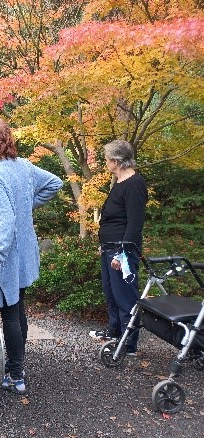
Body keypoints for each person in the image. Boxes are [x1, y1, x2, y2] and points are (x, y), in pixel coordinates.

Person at [0, 118, 62, 394]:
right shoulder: (23, 166)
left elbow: (5, 222)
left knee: (10, 311)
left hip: (9, 253)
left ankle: (15, 375)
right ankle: (17, 366)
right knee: (17, 306)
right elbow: (54, 183)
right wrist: (26, 205)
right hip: (25, 250)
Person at [89, 140, 148, 357]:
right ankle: (115, 333)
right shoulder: (120, 182)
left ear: (116, 161)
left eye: (107, 160)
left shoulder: (135, 184)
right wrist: (103, 245)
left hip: (122, 250)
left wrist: (122, 253)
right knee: (111, 293)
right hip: (109, 247)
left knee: (125, 296)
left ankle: (129, 344)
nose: (105, 163)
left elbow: (134, 224)